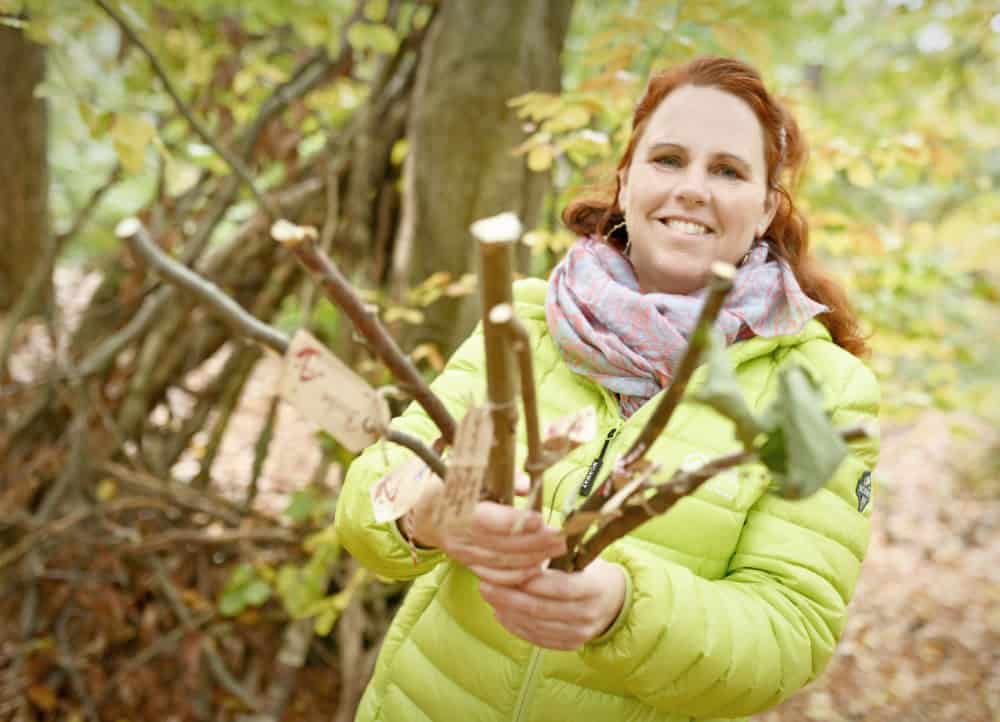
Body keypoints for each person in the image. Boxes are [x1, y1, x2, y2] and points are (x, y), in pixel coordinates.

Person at [335, 56, 880, 722]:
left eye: (728, 171)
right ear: (626, 183)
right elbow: (371, 495)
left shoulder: (822, 388)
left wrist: (623, 607)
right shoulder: (528, 321)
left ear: (766, 209)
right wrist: (424, 511)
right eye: (669, 159)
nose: (692, 189)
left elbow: (788, 635)